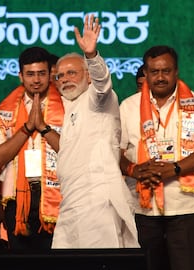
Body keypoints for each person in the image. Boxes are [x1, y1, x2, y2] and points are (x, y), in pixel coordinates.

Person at [119, 45, 194, 270]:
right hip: (142, 211)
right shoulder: (128, 107)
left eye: (166, 71)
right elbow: (116, 152)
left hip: (188, 210)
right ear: (146, 73)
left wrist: (173, 169)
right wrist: (133, 169)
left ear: (176, 72)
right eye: (154, 72)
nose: (160, 77)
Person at [51, 14, 139, 249]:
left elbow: (103, 83)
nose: (65, 79)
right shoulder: (71, 107)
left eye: (72, 73)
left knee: (99, 262)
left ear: (87, 75)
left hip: (97, 202)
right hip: (71, 202)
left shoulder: (98, 99)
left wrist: (91, 55)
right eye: (60, 76)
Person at [0, 46, 64, 249]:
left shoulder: (67, 106)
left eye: (41, 73)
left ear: (51, 74)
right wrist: (28, 127)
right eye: (30, 74)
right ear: (21, 76)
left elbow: (73, 153)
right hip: (18, 199)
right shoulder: (5, 110)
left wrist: (43, 128)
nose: (36, 80)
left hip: (59, 197)